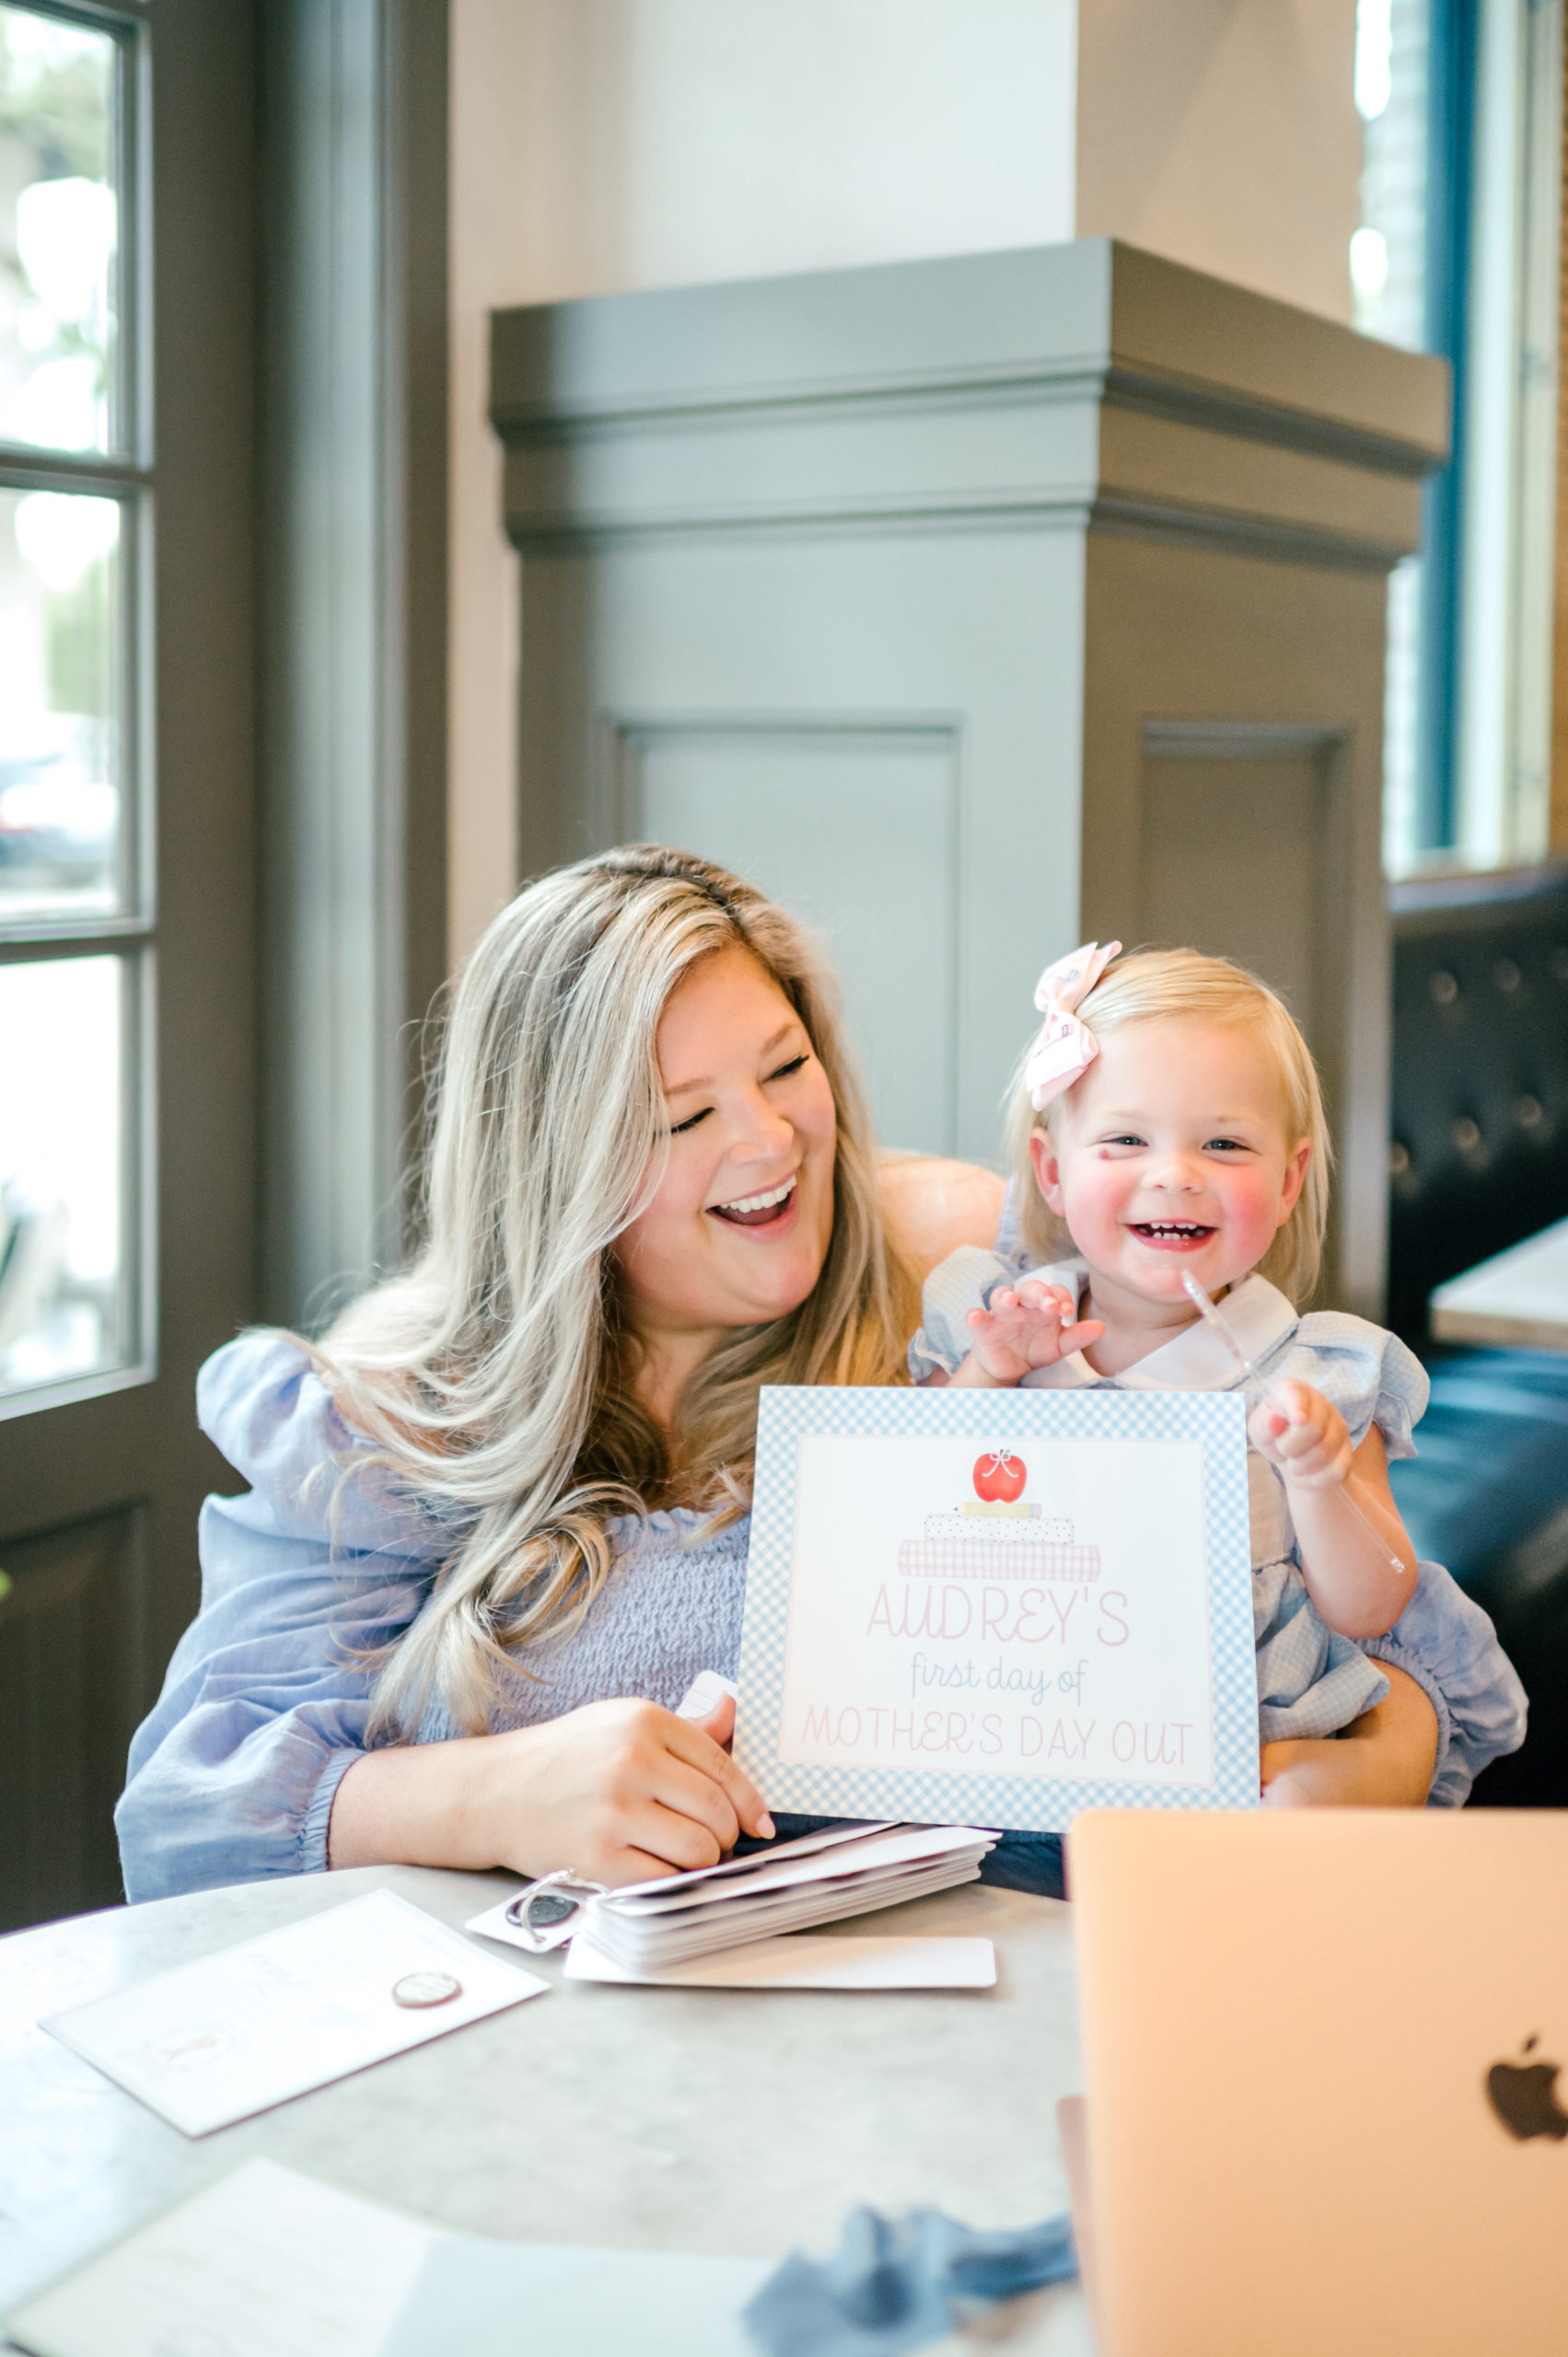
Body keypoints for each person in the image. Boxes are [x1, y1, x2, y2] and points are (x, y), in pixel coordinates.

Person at [117, 859, 1459, 1906]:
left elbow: (1395, 1638)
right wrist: (497, 1796)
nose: (769, 1141)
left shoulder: (990, 1307)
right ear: (555, 1171)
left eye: (783, 1068)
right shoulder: (386, 1417)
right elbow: (190, 1808)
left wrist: (1376, 1757)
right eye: (684, 1116)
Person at [910, 941, 1526, 1806]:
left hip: (1238, 1769)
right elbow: (904, 1515)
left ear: (1287, 1180)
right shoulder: (998, 1325)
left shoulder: (1320, 1373)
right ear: (1052, 1173)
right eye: (1125, 1138)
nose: (1175, 1173)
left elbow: (1373, 1606)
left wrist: (1316, 1480)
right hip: (1017, 1743)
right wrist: (987, 1371)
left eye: (1225, 1143)